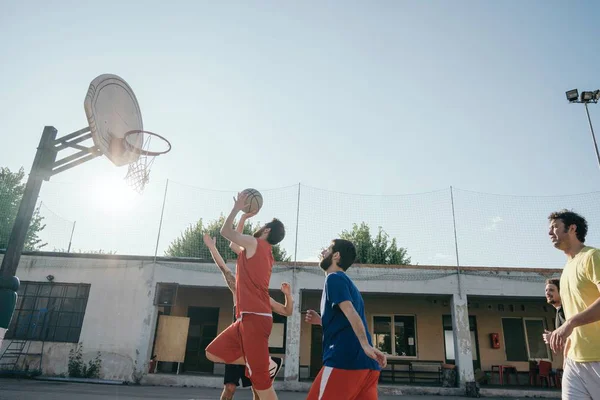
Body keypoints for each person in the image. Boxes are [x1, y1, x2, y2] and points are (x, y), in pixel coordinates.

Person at [205, 192, 286, 400]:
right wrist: (243, 218)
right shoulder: (262, 251)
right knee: (212, 352)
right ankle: (264, 362)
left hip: (255, 318)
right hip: (245, 318)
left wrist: (237, 208)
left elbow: (225, 232)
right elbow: (234, 245)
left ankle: (263, 364)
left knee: (263, 391)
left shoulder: (256, 244)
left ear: (266, 230)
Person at [304, 239, 387, 400]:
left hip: (345, 360)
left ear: (336, 255)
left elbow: (350, 311)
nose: (323, 252)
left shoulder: (334, 278)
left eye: (327, 249)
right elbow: (346, 319)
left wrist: (365, 345)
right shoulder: (347, 284)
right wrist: (321, 321)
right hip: (368, 366)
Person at [547, 210, 600, 399]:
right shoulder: (567, 268)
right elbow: (572, 314)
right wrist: (566, 354)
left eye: (555, 227)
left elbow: (572, 321)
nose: (550, 232)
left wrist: (569, 324)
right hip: (573, 363)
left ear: (572, 228)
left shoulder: (592, 256)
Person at [542, 278, 566, 345]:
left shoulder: (563, 311)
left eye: (551, 290)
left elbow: (572, 333)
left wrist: (553, 337)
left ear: (560, 292)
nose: (547, 293)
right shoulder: (559, 310)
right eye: (546, 290)